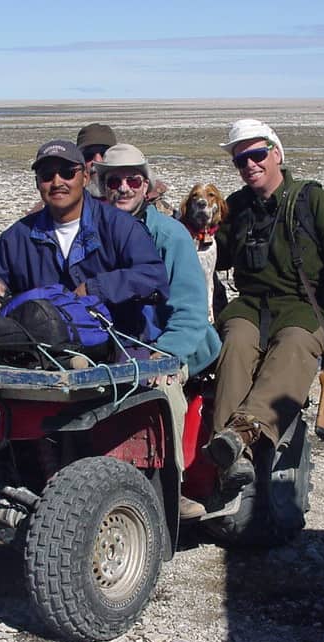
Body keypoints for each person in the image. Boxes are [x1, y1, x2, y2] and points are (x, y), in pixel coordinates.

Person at [206, 119, 324, 493]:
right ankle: (230, 456)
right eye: (240, 160)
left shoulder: (315, 203)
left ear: (276, 154)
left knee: (293, 346)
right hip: (249, 307)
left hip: (302, 308)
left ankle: (237, 437)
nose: (250, 165)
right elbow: (214, 253)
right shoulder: (236, 207)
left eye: (257, 155)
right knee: (234, 344)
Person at [95, 143, 221, 520]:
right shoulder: (89, 233)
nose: (123, 188)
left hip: (173, 340)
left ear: (146, 186)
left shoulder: (169, 235)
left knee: (161, 390)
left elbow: (189, 311)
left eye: (133, 180)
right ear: (101, 185)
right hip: (114, 344)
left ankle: (169, 487)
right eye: (114, 181)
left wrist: (164, 356)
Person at [0, 139, 169, 346]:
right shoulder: (19, 235)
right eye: (47, 176)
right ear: (37, 183)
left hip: (117, 346)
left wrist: (95, 289)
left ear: (85, 178)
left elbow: (153, 276)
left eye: (67, 173)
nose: (57, 183)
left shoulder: (120, 226)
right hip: (42, 349)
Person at [76, 123, 117, 200]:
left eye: (104, 153)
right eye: (88, 154)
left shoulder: (132, 202)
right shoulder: (67, 204)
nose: (97, 160)